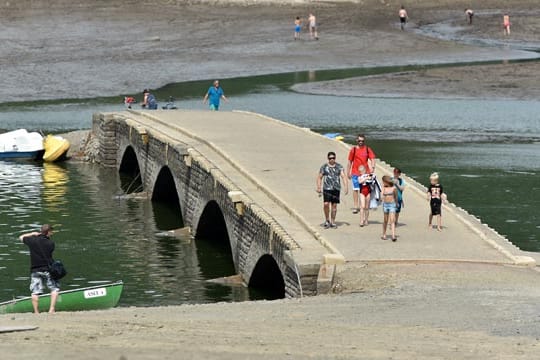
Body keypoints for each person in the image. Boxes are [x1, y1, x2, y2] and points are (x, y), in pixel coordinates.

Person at [19, 224, 59, 314]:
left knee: (35, 292)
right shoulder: (51, 243)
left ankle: (36, 312)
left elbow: (21, 237)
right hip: (48, 269)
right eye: (51, 232)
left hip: (35, 270)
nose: (52, 234)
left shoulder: (32, 241)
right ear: (48, 232)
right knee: (54, 288)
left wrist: (32, 233)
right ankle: (51, 309)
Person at [316, 152, 348, 229]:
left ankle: (333, 221)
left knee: (334, 206)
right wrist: (319, 187)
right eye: (330, 158)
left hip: (336, 188)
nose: (332, 159)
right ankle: (327, 220)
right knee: (326, 204)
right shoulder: (324, 167)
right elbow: (319, 177)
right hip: (327, 188)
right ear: (328, 159)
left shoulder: (339, 167)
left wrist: (346, 186)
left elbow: (343, 176)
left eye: (333, 158)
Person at [347, 134, 376, 215]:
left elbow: (373, 158)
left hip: (365, 173)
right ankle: (356, 207)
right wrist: (348, 172)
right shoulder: (353, 150)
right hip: (355, 172)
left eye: (362, 141)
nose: (361, 142)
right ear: (356, 140)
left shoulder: (367, 149)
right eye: (359, 141)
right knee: (356, 189)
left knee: (365, 190)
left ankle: (365, 206)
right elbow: (349, 162)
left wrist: (372, 168)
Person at [381, 176, 398, 241]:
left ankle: (393, 235)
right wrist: (381, 197)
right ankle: (384, 234)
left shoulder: (394, 188)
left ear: (386, 182)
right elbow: (381, 194)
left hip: (392, 205)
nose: (383, 183)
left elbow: (396, 196)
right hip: (385, 205)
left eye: (383, 182)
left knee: (392, 220)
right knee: (385, 220)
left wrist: (396, 203)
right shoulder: (384, 188)